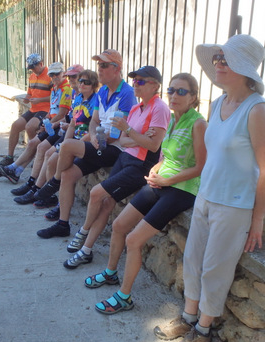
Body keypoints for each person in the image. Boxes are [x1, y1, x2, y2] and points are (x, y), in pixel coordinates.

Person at [154, 34, 265, 342]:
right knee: (193, 262)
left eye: (225, 59)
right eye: (218, 57)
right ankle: (188, 318)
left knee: (215, 270)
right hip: (206, 197)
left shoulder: (257, 109)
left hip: (235, 206)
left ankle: (203, 331)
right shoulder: (219, 102)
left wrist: (258, 218)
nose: (218, 63)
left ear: (243, 66)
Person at [84, 73, 207, 317]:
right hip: (160, 181)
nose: (174, 95)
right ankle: (110, 273)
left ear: (193, 97)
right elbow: (165, 155)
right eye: (171, 90)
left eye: (181, 91)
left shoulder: (198, 123)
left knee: (134, 239)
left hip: (182, 189)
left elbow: (201, 166)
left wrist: (167, 179)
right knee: (119, 225)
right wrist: (156, 168)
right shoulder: (172, 119)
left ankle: (124, 296)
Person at [63, 66, 170, 269]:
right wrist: (137, 137)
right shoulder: (137, 108)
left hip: (140, 166)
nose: (135, 84)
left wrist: (130, 132)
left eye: (141, 81)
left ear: (155, 85)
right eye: (135, 80)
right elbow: (122, 139)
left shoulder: (160, 108)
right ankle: (86, 250)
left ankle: (83, 232)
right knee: (106, 203)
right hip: (125, 158)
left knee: (96, 193)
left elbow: (153, 145)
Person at [35, 49, 137, 239]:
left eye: (104, 65)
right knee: (67, 174)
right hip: (98, 144)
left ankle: (52, 182)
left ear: (117, 69)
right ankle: (62, 224)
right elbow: (94, 122)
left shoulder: (127, 93)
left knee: (66, 146)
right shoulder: (103, 91)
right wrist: (93, 135)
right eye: (99, 65)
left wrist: (98, 138)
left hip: (114, 149)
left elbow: (115, 135)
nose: (100, 69)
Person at [12, 67, 98, 206]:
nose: (80, 83)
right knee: (47, 153)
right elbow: (70, 120)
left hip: (82, 141)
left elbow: (92, 126)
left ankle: (40, 191)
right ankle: (36, 188)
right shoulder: (78, 98)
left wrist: (59, 128)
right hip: (69, 135)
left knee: (50, 157)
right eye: (79, 80)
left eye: (85, 82)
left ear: (93, 85)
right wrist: (57, 127)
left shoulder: (95, 101)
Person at [0, 62, 73, 185]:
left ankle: (14, 169)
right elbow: (52, 109)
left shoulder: (66, 89)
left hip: (57, 126)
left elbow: (62, 113)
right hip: (51, 123)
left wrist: (48, 124)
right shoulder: (55, 87)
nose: (54, 77)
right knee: (33, 144)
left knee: (35, 144)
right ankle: (15, 171)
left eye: (57, 74)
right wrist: (44, 122)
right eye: (52, 75)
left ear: (63, 74)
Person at [0, 53, 52, 167]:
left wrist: (39, 100)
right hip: (34, 109)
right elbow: (30, 93)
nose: (32, 70)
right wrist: (26, 99)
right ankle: (9, 157)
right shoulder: (32, 76)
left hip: (46, 109)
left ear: (41, 64)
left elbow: (55, 96)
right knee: (15, 126)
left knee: (30, 127)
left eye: (34, 67)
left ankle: (36, 155)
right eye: (30, 68)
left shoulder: (50, 76)